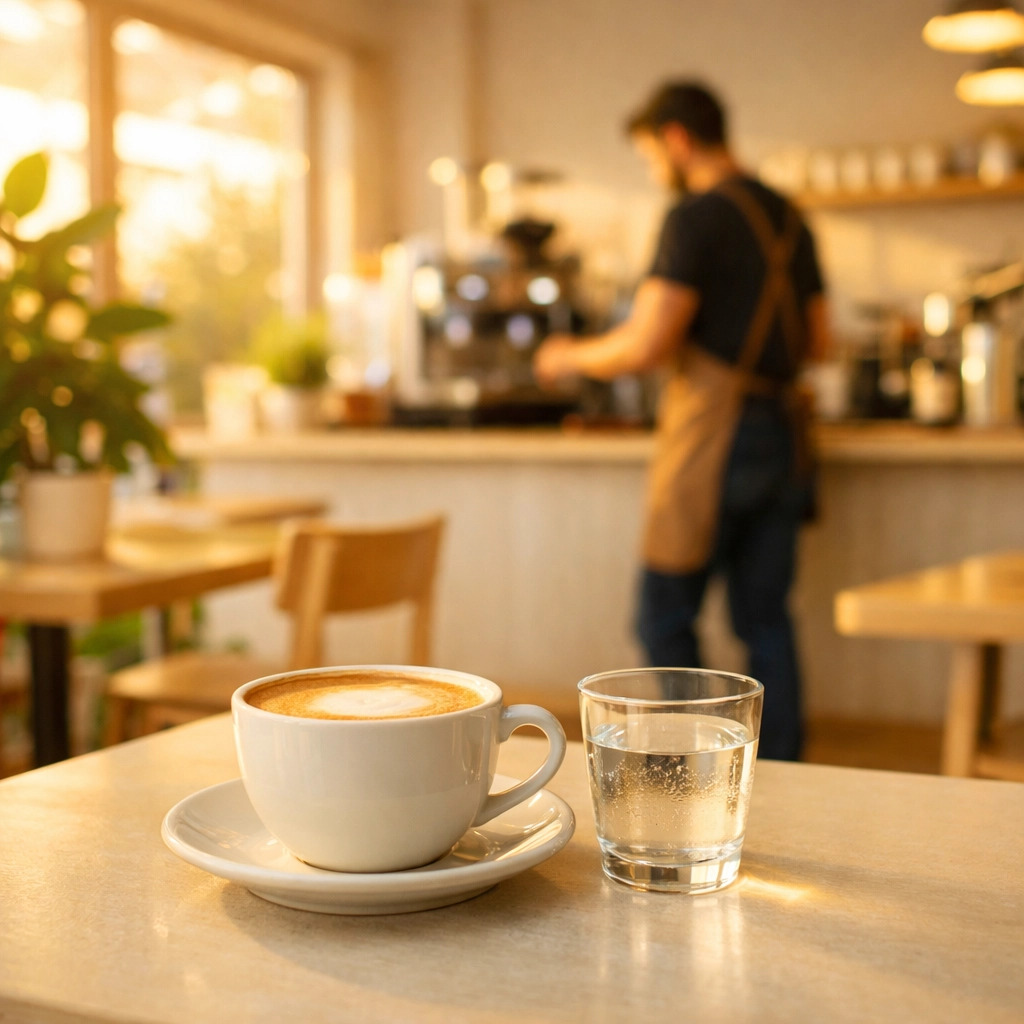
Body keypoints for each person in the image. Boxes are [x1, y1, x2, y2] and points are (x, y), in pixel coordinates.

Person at [533, 81, 830, 761]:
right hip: (784, 434)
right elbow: (821, 342)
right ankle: (784, 773)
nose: (652, 171)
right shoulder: (790, 219)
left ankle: (682, 770)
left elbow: (646, 343)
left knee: (664, 614)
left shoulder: (694, 217)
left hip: (714, 437)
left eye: (647, 156)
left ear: (675, 138)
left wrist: (568, 355)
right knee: (766, 618)